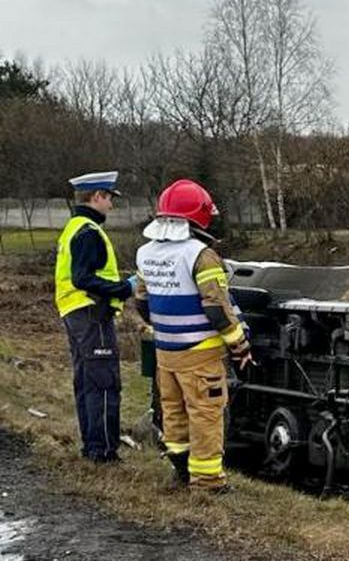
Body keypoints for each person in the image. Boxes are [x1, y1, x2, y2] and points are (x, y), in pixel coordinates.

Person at [133, 180, 252, 492]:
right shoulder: (201, 255)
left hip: (166, 352)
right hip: (201, 352)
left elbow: (142, 302)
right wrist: (239, 343)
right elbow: (216, 307)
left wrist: (167, 327)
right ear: (200, 216)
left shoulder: (145, 252)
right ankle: (208, 480)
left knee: (173, 411)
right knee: (205, 414)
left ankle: (181, 471)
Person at [55, 171, 135, 463]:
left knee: (87, 380)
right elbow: (83, 278)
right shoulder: (88, 231)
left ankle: (92, 446)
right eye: (109, 198)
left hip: (76, 312)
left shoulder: (74, 227)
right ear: (97, 196)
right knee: (104, 381)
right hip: (92, 312)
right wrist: (124, 288)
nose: (111, 206)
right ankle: (103, 451)